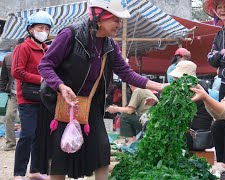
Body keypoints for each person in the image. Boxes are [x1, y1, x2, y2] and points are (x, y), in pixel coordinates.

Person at [37, 0, 164, 179]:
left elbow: (127, 74)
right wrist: (61, 86)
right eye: (116, 20)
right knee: (60, 157)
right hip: (62, 105)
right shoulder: (71, 35)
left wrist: (161, 87)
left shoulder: (110, 45)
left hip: (91, 106)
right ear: (99, 18)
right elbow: (45, 65)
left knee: (102, 151)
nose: (119, 25)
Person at [11, 11, 53, 180]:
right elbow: (17, 71)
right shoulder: (23, 47)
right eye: (40, 27)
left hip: (44, 98)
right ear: (30, 29)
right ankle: (18, 173)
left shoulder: (47, 49)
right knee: (27, 134)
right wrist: (41, 79)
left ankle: (35, 171)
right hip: (27, 98)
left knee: (41, 136)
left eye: (47, 28)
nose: (44, 31)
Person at [169, 60, 213, 151]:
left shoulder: (195, 91)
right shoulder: (192, 88)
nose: (174, 79)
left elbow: (181, 116)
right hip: (191, 133)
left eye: (177, 77)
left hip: (195, 137)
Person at [0, 40, 23, 151]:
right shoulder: (8, 58)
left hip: (27, 94)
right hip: (13, 94)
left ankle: (29, 143)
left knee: (27, 118)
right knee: (9, 116)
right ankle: (10, 142)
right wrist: (3, 93)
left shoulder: (30, 57)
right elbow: (3, 77)